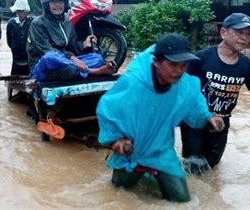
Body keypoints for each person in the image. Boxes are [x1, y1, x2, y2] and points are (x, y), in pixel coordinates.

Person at [96, 33, 225, 202]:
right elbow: (108, 107)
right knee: (117, 195)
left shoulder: (183, 83)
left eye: (184, 65)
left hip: (161, 150)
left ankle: (152, 175)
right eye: (173, 64)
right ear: (156, 62)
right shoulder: (134, 82)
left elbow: (194, 102)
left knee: (182, 201)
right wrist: (117, 138)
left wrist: (209, 118)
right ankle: (146, 176)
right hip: (132, 151)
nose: (179, 71)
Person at [181, 13, 250, 174]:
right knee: (193, 168)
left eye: (248, 33)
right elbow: (182, 89)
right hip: (195, 123)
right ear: (223, 32)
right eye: (239, 32)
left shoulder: (247, 66)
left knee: (211, 171)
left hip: (221, 126)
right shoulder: (201, 59)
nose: (244, 38)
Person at [26, 0, 116, 82]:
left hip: (67, 63)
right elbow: (46, 51)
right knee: (50, 57)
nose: (57, 5)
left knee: (97, 58)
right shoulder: (37, 23)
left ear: (65, 3)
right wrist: (73, 58)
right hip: (43, 68)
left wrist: (84, 44)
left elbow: (72, 47)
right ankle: (94, 71)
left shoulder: (67, 21)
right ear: (46, 4)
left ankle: (72, 70)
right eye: (53, 2)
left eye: (60, 2)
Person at [6, 0, 33, 75]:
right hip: (16, 54)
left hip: (29, 54)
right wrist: (14, 47)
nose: (20, 13)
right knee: (15, 76)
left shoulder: (31, 22)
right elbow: (9, 39)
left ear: (26, 11)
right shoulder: (11, 23)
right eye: (18, 11)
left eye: (22, 11)